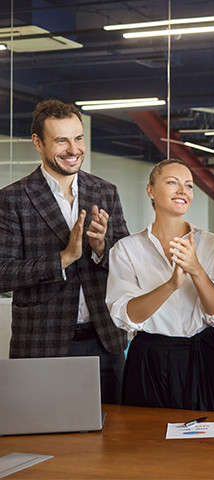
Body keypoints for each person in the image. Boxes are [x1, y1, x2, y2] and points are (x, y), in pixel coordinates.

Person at [0, 99, 129, 404]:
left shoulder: (105, 191)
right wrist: (63, 258)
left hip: (105, 343)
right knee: (47, 442)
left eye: (78, 138)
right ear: (38, 143)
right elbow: (2, 272)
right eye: (61, 140)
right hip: (41, 346)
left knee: (115, 441)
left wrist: (101, 249)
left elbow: (127, 262)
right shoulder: (12, 199)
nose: (74, 149)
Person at [106, 158, 214, 412]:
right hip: (148, 359)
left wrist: (196, 270)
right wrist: (172, 284)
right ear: (150, 190)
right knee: (147, 443)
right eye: (172, 182)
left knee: (211, 446)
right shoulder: (126, 249)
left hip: (204, 356)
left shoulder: (213, 244)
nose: (182, 191)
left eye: (188, 185)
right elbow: (126, 317)